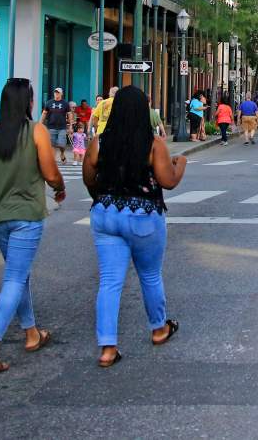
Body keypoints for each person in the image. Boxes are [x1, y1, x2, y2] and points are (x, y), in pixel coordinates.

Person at [82, 85, 187, 367]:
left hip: (105, 214)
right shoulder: (153, 144)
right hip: (144, 215)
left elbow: (89, 178)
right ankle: (158, 328)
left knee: (109, 281)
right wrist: (181, 164)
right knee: (150, 276)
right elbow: (168, 181)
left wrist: (103, 199)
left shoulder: (100, 142)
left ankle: (107, 347)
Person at [0, 77, 66, 374]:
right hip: (25, 215)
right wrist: (60, 188)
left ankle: (31, 333)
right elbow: (50, 173)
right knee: (15, 277)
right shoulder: (35, 131)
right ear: (29, 102)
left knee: (18, 274)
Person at [40, 86, 70, 164]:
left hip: (62, 127)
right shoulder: (49, 102)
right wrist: (40, 124)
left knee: (61, 144)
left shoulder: (65, 103)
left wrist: (70, 126)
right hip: (51, 127)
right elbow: (44, 113)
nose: (56, 94)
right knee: (52, 145)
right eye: (55, 92)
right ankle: (52, 160)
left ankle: (62, 154)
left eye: (58, 93)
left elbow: (69, 114)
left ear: (61, 94)